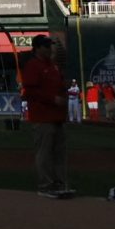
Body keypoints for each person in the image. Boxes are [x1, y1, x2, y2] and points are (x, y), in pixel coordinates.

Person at [19, 34, 76, 199]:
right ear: (37, 48)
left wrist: (63, 92)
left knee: (59, 153)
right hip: (42, 116)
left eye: (49, 45)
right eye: (45, 45)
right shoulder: (33, 65)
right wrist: (53, 99)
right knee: (44, 153)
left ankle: (60, 184)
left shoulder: (53, 66)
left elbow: (58, 87)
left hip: (58, 116)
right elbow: (29, 91)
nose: (49, 48)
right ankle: (46, 186)